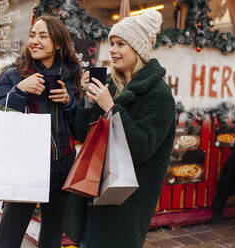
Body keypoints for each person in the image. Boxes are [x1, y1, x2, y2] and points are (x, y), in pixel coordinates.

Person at [63, 9, 176, 248]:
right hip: (92, 192)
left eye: (121, 44)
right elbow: (83, 134)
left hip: (125, 203)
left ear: (139, 49)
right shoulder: (111, 86)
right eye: (112, 43)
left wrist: (111, 108)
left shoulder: (160, 95)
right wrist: (88, 99)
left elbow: (143, 147)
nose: (112, 49)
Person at [0, 15, 81, 248]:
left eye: (43, 36)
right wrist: (20, 90)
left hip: (62, 169)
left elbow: (80, 130)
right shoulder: (13, 75)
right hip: (25, 169)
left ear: (59, 43)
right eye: (33, 35)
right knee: (8, 239)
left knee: (52, 238)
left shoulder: (71, 77)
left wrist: (69, 102)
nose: (35, 40)